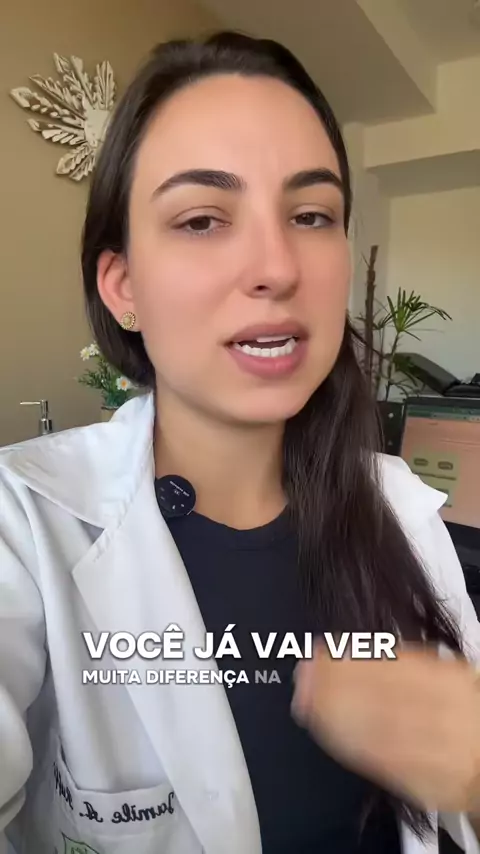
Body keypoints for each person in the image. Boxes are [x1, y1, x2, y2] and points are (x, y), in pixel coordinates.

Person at [0, 30, 479, 854]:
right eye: (201, 220)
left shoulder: (402, 513)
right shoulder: (22, 530)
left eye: (311, 215)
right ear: (122, 286)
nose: (277, 267)